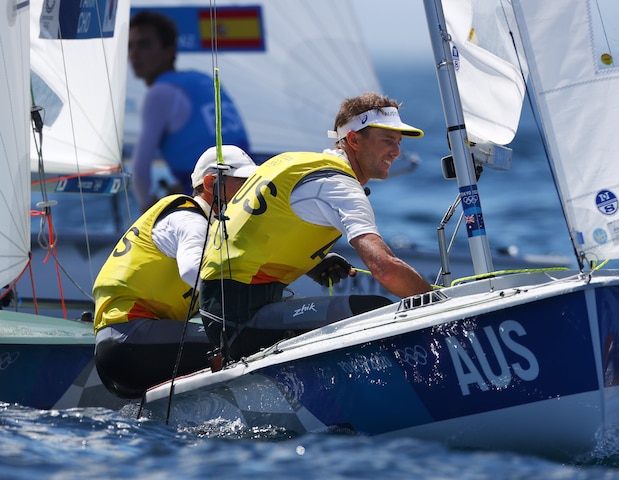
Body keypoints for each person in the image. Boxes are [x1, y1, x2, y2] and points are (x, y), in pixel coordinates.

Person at [199, 92, 434, 360]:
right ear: (354, 139)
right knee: (373, 307)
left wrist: (309, 262)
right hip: (240, 315)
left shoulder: (295, 164)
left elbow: (255, 231)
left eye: (399, 143)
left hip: (222, 306)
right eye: (387, 141)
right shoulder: (340, 184)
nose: (396, 151)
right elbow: (385, 269)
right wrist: (439, 305)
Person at [93, 145, 258, 399]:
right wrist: (243, 304)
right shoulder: (190, 219)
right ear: (211, 183)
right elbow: (192, 268)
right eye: (243, 184)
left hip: (123, 347)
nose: (251, 193)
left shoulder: (209, 228)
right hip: (133, 341)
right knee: (248, 337)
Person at [128, 10, 249, 213]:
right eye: (130, 46)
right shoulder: (202, 79)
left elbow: (140, 168)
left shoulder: (160, 93)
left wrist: (147, 208)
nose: (134, 54)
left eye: (144, 45)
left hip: (215, 192)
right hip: (247, 182)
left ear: (168, 51)